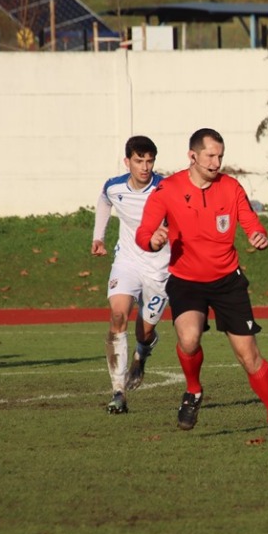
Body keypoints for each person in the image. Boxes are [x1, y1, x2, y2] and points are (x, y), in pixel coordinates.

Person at [135, 128, 268, 434]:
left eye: (220, 156)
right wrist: (153, 240)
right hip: (186, 281)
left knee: (249, 355)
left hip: (227, 281)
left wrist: (259, 236)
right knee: (189, 339)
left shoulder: (231, 188)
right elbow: (143, 233)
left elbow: (251, 222)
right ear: (192, 156)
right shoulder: (167, 189)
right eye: (210, 156)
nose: (217, 162)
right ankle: (193, 391)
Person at [91, 135, 170, 415]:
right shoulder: (114, 187)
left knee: (144, 331)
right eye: (139, 161)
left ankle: (142, 352)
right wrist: (98, 238)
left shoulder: (166, 188)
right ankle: (118, 391)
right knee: (118, 316)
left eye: (149, 161)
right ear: (128, 162)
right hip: (127, 260)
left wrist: (169, 233)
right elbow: (103, 202)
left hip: (160, 267)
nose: (145, 167)